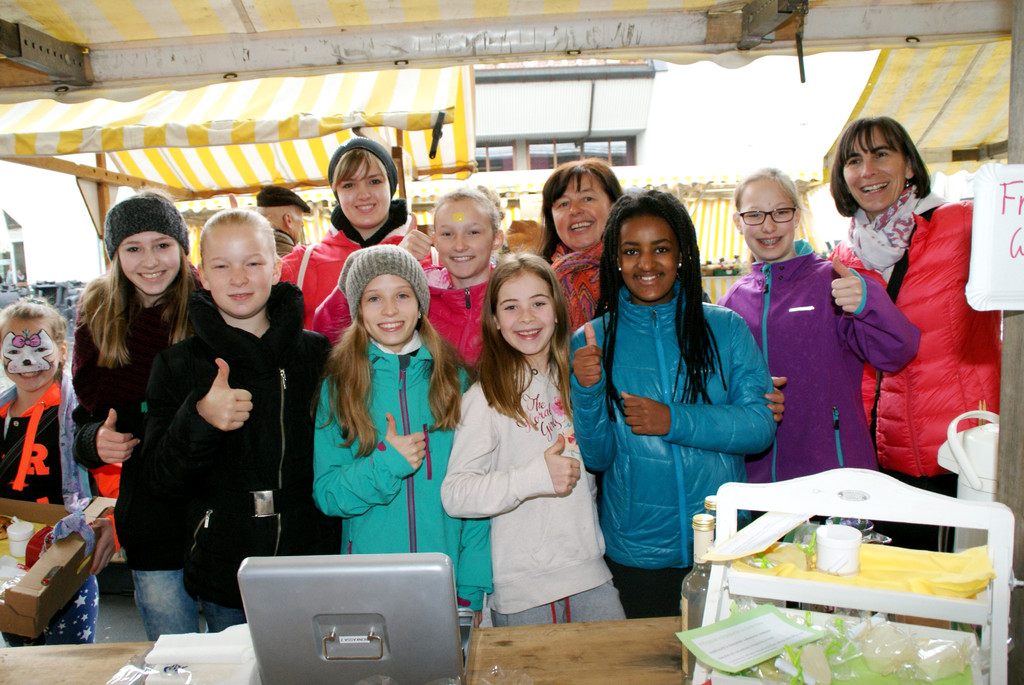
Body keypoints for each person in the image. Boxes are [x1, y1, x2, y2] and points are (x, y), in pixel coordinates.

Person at [570, 190, 776, 619]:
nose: (646, 264)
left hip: (722, 541)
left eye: (660, 249)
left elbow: (759, 427)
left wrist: (671, 419)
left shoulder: (725, 327)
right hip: (637, 551)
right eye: (632, 251)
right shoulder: (593, 339)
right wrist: (588, 391)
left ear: (681, 253)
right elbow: (597, 456)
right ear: (616, 260)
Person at [143, 209, 336, 631]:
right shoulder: (177, 365)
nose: (239, 277)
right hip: (225, 566)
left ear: (277, 268)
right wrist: (199, 419)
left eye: (252, 263)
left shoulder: (317, 354)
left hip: (313, 557)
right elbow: (161, 480)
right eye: (222, 265)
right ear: (203, 276)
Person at [829, 116, 1001, 550]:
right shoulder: (846, 254)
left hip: (958, 451)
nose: (867, 170)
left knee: (959, 590)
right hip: (881, 457)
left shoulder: (963, 225)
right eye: (854, 160)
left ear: (909, 165)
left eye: (881, 154)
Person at [441, 254, 624, 626]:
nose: (526, 317)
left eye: (538, 303)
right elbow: (456, 494)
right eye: (511, 307)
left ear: (557, 311)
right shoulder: (486, 397)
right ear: (494, 320)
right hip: (524, 592)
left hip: (591, 574)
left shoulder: (579, 382)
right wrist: (535, 477)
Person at [312, 245, 492, 620]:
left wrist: (470, 589)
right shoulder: (340, 386)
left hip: (447, 582)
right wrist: (386, 465)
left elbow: (477, 495)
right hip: (369, 586)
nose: (390, 310)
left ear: (420, 303)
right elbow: (327, 495)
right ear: (358, 309)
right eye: (374, 298)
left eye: (402, 295)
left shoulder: (455, 382)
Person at [718, 168, 919, 482]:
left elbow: (896, 352)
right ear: (738, 222)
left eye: (780, 212)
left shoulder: (837, 283)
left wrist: (869, 301)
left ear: (797, 217)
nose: (768, 226)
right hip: (758, 480)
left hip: (835, 474)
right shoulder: (730, 304)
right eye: (755, 214)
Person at [71, 192, 199, 640]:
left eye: (162, 244)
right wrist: (94, 442)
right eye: (133, 247)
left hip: (215, 499)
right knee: (172, 648)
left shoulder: (211, 302)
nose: (150, 261)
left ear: (183, 246)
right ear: (115, 254)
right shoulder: (98, 314)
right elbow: (83, 419)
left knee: (239, 645)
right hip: (147, 510)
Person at [0, 298, 115, 646]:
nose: (28, 361)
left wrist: (112, 520)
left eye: (39, 347)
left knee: (71, 659)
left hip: (66, 554)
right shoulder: (3, 414)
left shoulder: (80, 411)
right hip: (11, 560)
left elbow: (111, 474)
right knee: (21, 657)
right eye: (14, 350)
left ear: (62, 349)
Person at [313, 186, 503, 365]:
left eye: (473, 232)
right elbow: (329, 333)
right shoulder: (415, 293)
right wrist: (391, 259)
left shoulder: (514, 297)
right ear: (434, 241)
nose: (460, 245)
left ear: (496, 239)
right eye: (447, 234)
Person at [280, 137, 429, 328]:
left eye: (374, 181)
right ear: (337, 193)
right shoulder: (302, 263)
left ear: (390, 186)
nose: (363, 194)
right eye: (349, 185)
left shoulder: (430, 259)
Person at [538, 159, 624, 332]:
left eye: (587, 198)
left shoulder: (635, 271)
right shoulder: (538, 280)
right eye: (563, 203)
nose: (574, 210)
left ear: (615, 206)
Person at [255, 185, 310, 257]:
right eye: (300, 219)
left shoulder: (244, 256)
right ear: (288, 220)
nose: (302, 224)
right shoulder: (301, 259)